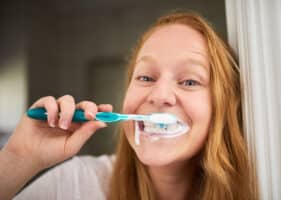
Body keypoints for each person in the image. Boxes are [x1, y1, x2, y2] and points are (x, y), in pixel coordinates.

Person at [0, 11, 259, 200]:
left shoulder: (260, 187)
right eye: (145, 77)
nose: (159, 95)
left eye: (189, 81)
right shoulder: (74, 185)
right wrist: (18, 158)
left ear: (221, 107)